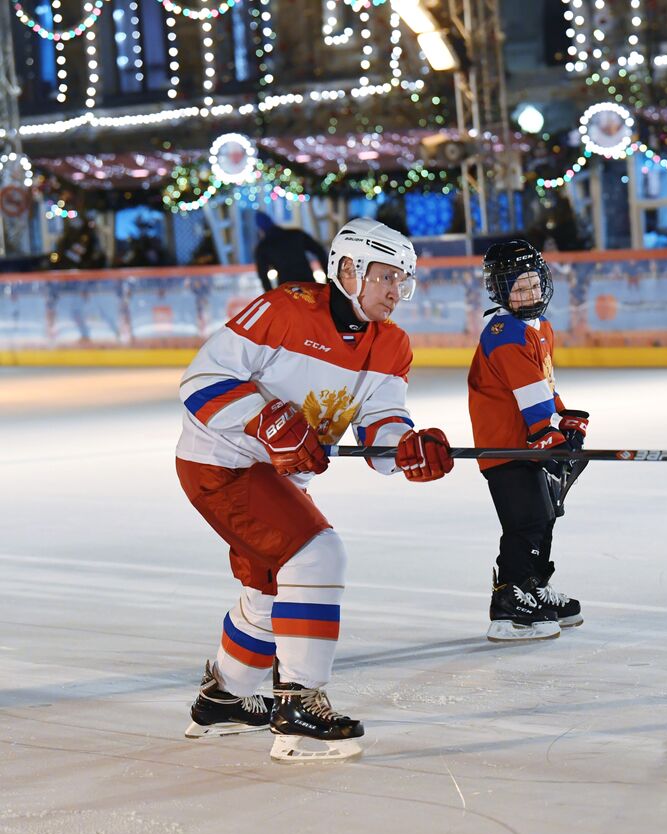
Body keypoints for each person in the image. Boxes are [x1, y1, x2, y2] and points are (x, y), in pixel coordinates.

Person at [176, 217, 453, 762]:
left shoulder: (391, 345)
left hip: (276, 477)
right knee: (316, 555)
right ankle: (299, 708)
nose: (396, 292)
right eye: (385, 278)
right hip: (223, 462)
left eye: (404, 280)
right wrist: (265, 420)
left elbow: (380, 428)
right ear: (347, 270)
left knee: (270, 591)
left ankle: (225, 701)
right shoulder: (283, 310)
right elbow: (201, 381)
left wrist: (407, 448)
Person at [468, 239, 588, 644]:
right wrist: (547, 433)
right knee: (526, 522)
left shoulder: (540, 328)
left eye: (533, 285)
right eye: (518, 289)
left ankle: (532, 588)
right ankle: (508, 604)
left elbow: (542, 386)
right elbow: (526, 392)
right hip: (505, 447)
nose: (529, 295)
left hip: (527, 445)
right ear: (500, 293)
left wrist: (564, 420)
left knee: (544, 518)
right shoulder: (504, 332)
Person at [253, 211, 330, 292]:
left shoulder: (263, 247)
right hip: (308, 284)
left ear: (260, 229)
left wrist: (271, 296)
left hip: (287, 290)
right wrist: (328, 280)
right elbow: (320, 251)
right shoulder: (296, 234)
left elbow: (263, 276)